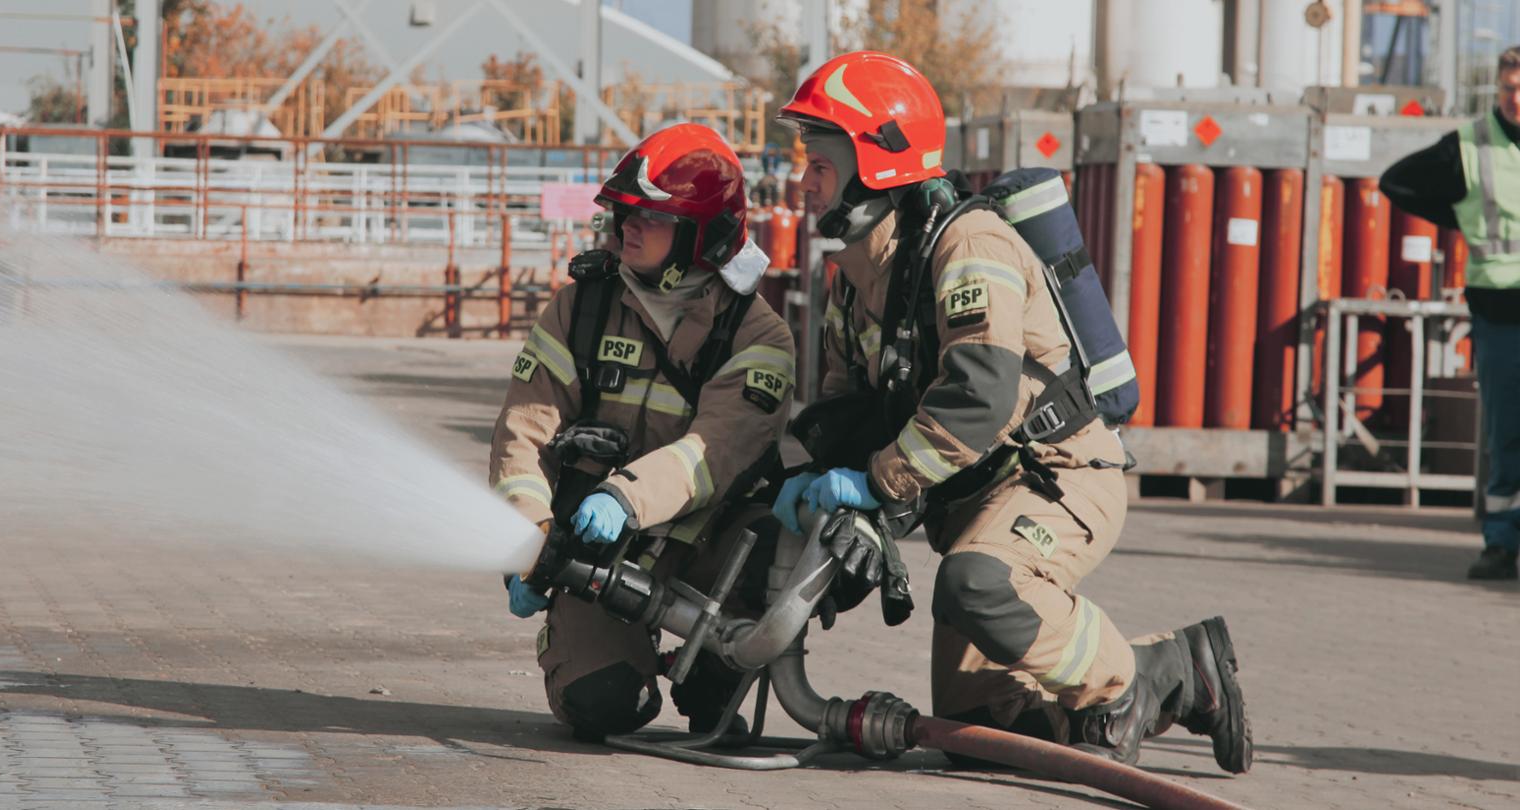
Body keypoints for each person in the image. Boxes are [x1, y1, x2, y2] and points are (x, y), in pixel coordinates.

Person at [770, 51, 1252, 772]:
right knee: (984, 736)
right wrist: (808, 479)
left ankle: (1153, 674)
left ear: (877, 164)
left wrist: (875, 483)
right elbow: (849, 409)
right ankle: (1143, 692)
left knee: (978, 585)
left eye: (819, 165)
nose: (803, 183)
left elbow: (979, 396)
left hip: (1055, 476)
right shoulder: (856, 275)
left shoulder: (969, 245)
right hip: (976, 500)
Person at [489, 123, 797, 742]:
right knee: (605, 704)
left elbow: (717, 451)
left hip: (708, 542)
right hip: (596, 550)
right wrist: (527, 535)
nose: (628, 226)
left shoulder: (758, 335)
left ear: (701, 235)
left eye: (651, 217)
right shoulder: (581, 307)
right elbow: (524, 431)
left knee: (780, 548)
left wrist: (624, 495)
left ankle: (714, 676)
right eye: (625, 212)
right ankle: (599, 648)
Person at [1380, 46, 1520, 581]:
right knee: (1507, 432)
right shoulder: (1470, 145)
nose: (1515, 98)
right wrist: (1458, 214)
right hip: (1501, 310)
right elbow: (1396, 181)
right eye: (1508, 88)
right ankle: (1501, 544)